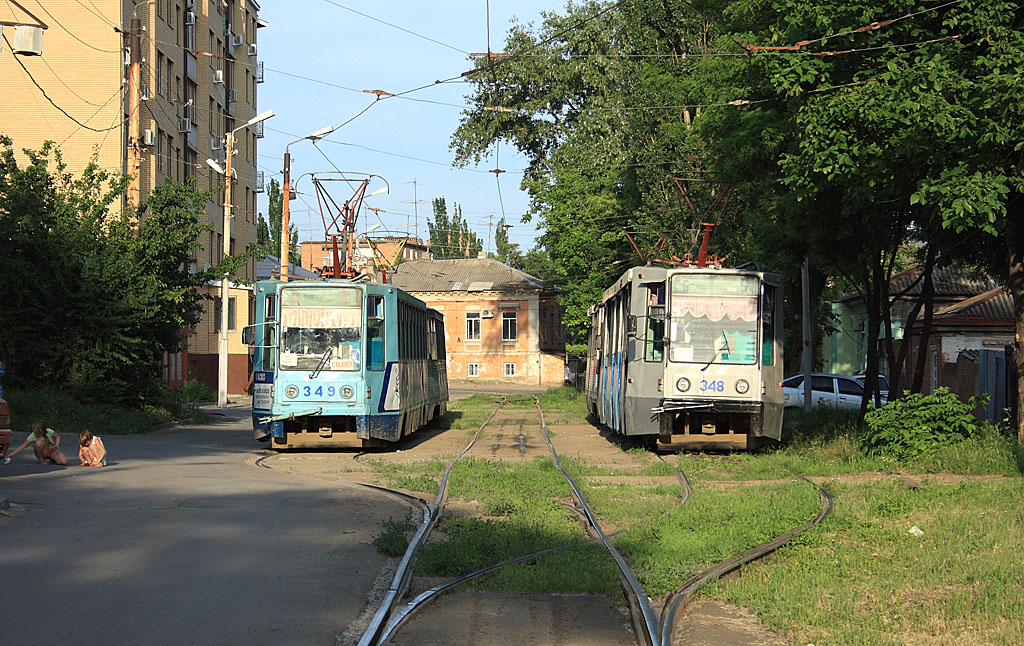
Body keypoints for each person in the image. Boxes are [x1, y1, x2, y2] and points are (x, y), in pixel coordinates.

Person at [4, 421, 68, 465]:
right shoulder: (33, 435)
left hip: (51, 451)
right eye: (36, 433)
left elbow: (57, 436)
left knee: (64, 462)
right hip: (42, 452)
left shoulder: (49, 431)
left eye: (38, 434)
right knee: (38, 442)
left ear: (43, 431)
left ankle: (52, 458)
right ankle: (41, 459)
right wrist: (10, 455)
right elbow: (22, 446)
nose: (36, 435)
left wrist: (57, 444)